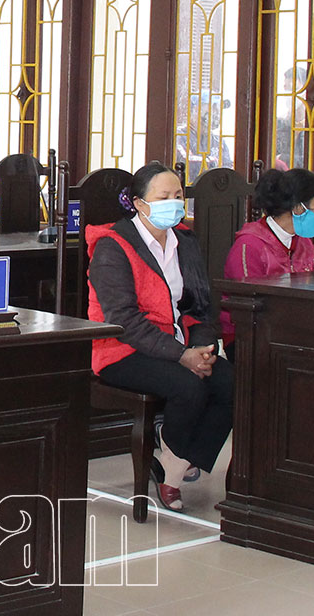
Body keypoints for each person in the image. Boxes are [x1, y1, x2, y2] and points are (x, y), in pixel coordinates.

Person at [86, 161, 232, 512]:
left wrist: (201, 347)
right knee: (189, 385)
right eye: (163, 197)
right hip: (121, 349)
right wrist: (182, 355)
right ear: (139, 203)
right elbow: (123, 321)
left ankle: (175, 456)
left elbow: (200, 304)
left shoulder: (185, 240)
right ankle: (174, 468)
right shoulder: (113, 246)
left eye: (178, 195)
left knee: (232, 382)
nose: (174, 203)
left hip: (177, 342)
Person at [219, 168, 314, 350]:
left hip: (292, 333)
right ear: (298, 208)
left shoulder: (304, 243)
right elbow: (247, 307)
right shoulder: (249, 245)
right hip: (247, 336)